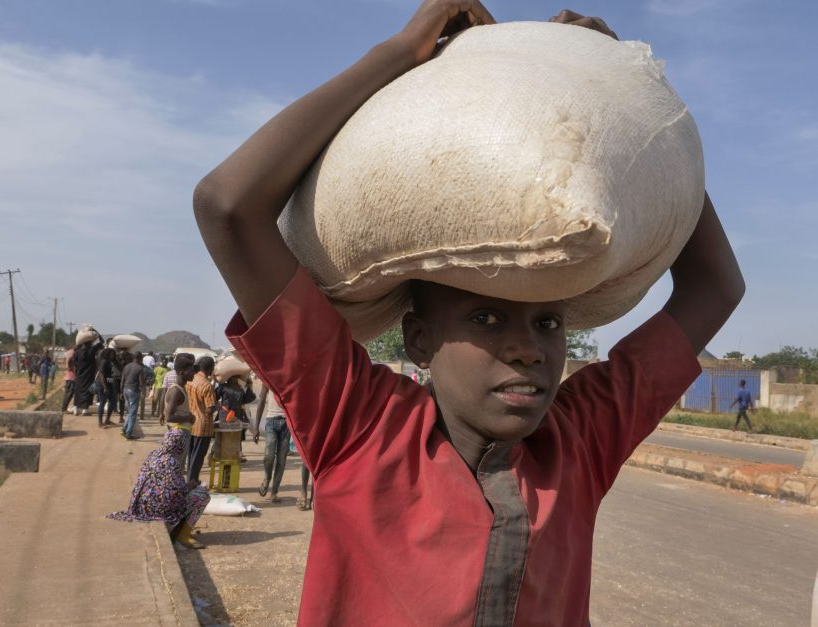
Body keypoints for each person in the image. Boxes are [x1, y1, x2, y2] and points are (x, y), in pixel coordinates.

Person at [193, 4, 745, 624]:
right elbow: (228, 207)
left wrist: (622, 97)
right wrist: (403, 49)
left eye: (548, 322)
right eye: (486, 319)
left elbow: (714, 288)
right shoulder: (358, 424)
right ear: (420, 339)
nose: (529, 349)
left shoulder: (578, 442)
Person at [107, 429, 211, 549]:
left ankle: (179, 529)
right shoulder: (171, 462)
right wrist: (191, 485)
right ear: (181, 445)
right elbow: (177, 491)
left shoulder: (154, 454)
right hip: (159, 511)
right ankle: (183, 535)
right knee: (203, 496)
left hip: (142, 507)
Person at [163, 354, 198, 476]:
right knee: (174, 471)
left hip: (182, 432)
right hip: (178, 433)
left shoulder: (181, 389)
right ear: (182, 373)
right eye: (191, 371)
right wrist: (188, 417)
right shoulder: (176, 391)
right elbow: (169, 417)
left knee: (178, 470)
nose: (194, 374)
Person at [254, 388, 289, 503]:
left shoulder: (289, 377)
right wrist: (256, 427)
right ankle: (267, 478)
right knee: (268, 455)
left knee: (281, 459)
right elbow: (262, 400)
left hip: (287, 422)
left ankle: (274, 492)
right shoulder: (267, 378)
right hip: (271, 420)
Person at [186, 356, 217, 484]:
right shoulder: (207, 385)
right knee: (198, 457)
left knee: (191, 455)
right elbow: (209, 409)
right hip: (203, 425)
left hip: (190, 423)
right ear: (210, 369)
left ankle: (190, 480)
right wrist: (217, 406)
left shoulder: (191, 380)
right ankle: (192, 482)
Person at [73, 335, 103, 415]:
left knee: (78, 391)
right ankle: (84, 410)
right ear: (90, 343)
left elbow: (74, 363)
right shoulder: (92, 350)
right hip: (88, 375)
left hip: (79, 374)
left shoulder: (77, 352)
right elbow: (102, 342)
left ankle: (75, 408)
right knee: (87, 391)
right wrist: (96, 333)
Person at [120, 351, 146, 439]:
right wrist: (143, 391)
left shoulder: (126, 366)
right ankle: (129, 433)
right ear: (139, 358)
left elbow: (122, 380)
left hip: (125, 390)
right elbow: (141, 382)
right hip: (134, 391)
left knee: (129, 412)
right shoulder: (139, 368)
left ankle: (124, 429)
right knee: (133, 413)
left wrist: (121, 392)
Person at [95, 348, 118, 428]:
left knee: (113, 401)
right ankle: (100, 423)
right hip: (102, 385)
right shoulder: (104, 361)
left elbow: (109, 375)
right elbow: (101, 374)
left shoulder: (110, 362)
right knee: (102, 402)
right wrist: (105, 387)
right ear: (107, 354)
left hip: (109, 383)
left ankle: (107, 419)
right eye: (112, 354)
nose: (113, 355)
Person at [62, 347, 77, 414]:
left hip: (69, 376)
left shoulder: (69, 352)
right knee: (69, 393)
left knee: (68, 393)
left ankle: (64, 408)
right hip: (71, 377)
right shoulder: (72, 353)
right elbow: (69, 360)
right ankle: (64, 408)